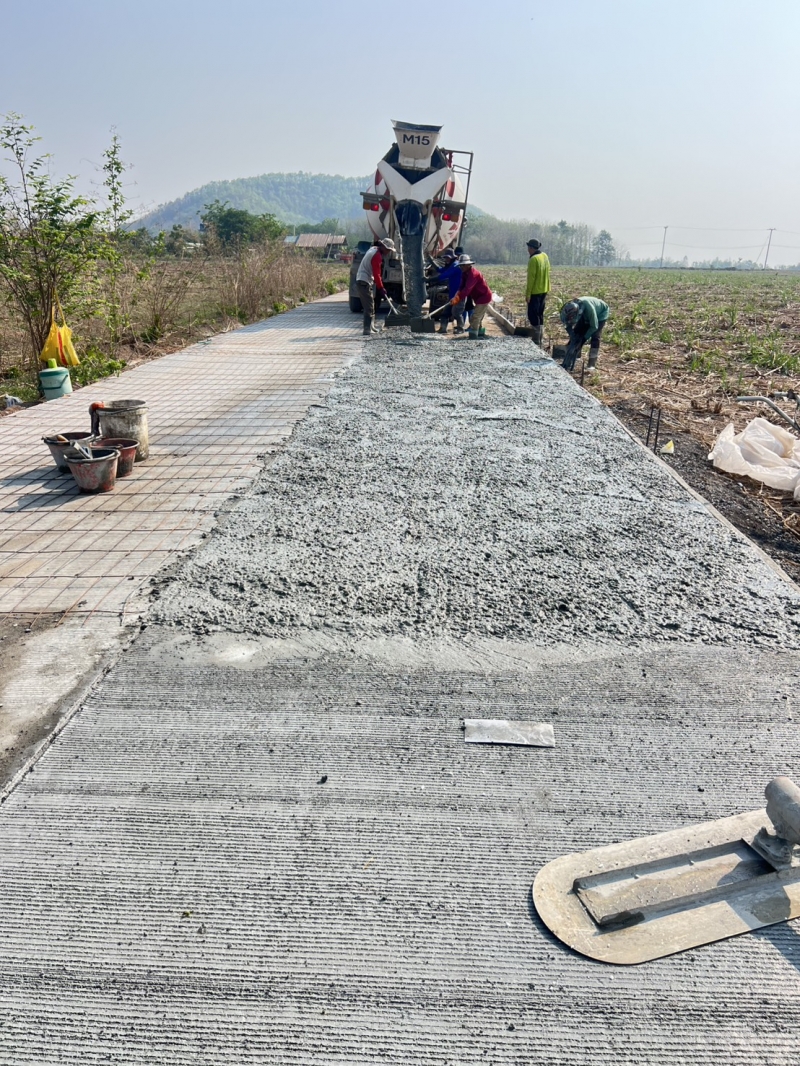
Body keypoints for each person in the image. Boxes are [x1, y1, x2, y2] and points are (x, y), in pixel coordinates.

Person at [356, 238, 396, 335]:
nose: (388, 252)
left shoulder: (373, 249)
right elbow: (377, 274)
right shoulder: (377, 256)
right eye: (388, 250)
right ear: (383, 247)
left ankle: (371, 327)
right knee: (369, 307)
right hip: (364, 281)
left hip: (363, 280)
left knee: (371, 305)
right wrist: (381, 288)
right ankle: (367, 329)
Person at [559, 297, 610, 370]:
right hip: (585, 313)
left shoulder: (589, 309)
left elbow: (594, 326)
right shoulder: (567, 310)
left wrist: (583, 339)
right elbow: (567, 324)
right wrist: (572, 335)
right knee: (577, 333)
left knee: (595, 337)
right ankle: (568, 360)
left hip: (600, 313)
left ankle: (591, 363)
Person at [451, 254, 493, 339]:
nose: (461, 267)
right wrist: (456, 295)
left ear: (468, 265)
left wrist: (458, 298)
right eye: (460, 265)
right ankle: (480, 334)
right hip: (477, 297)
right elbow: (461, 287)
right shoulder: (464, 273)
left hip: (484, 297)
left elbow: (467, 289)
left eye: (463, 265)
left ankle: (473, 337)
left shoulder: (473, 274)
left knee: (475, 317)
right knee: (477, 317)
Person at [429, 249, 465, 333]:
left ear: (452, 258)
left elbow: (444, 275)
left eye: (448, 258)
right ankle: (443, 329)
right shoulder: (450, 265)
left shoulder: (456, 266)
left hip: (459, 295)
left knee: (457, 313)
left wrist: (429, 279)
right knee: (445, 312)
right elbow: (440, 270)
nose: (446, 259)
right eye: (445, 258)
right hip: (452, 295)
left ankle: (460, 329)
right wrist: (431, 261)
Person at [525, 238, 550, 347]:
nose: (528, 250)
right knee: (540, 314)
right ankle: (540, 339)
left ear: (531, 248)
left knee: (533, 315)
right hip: (544, 289)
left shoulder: (533, 259)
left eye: (528, 248)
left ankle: (536, 340)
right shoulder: (544, 256)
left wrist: (528, 294)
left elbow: (531, 278)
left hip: (535, 291)